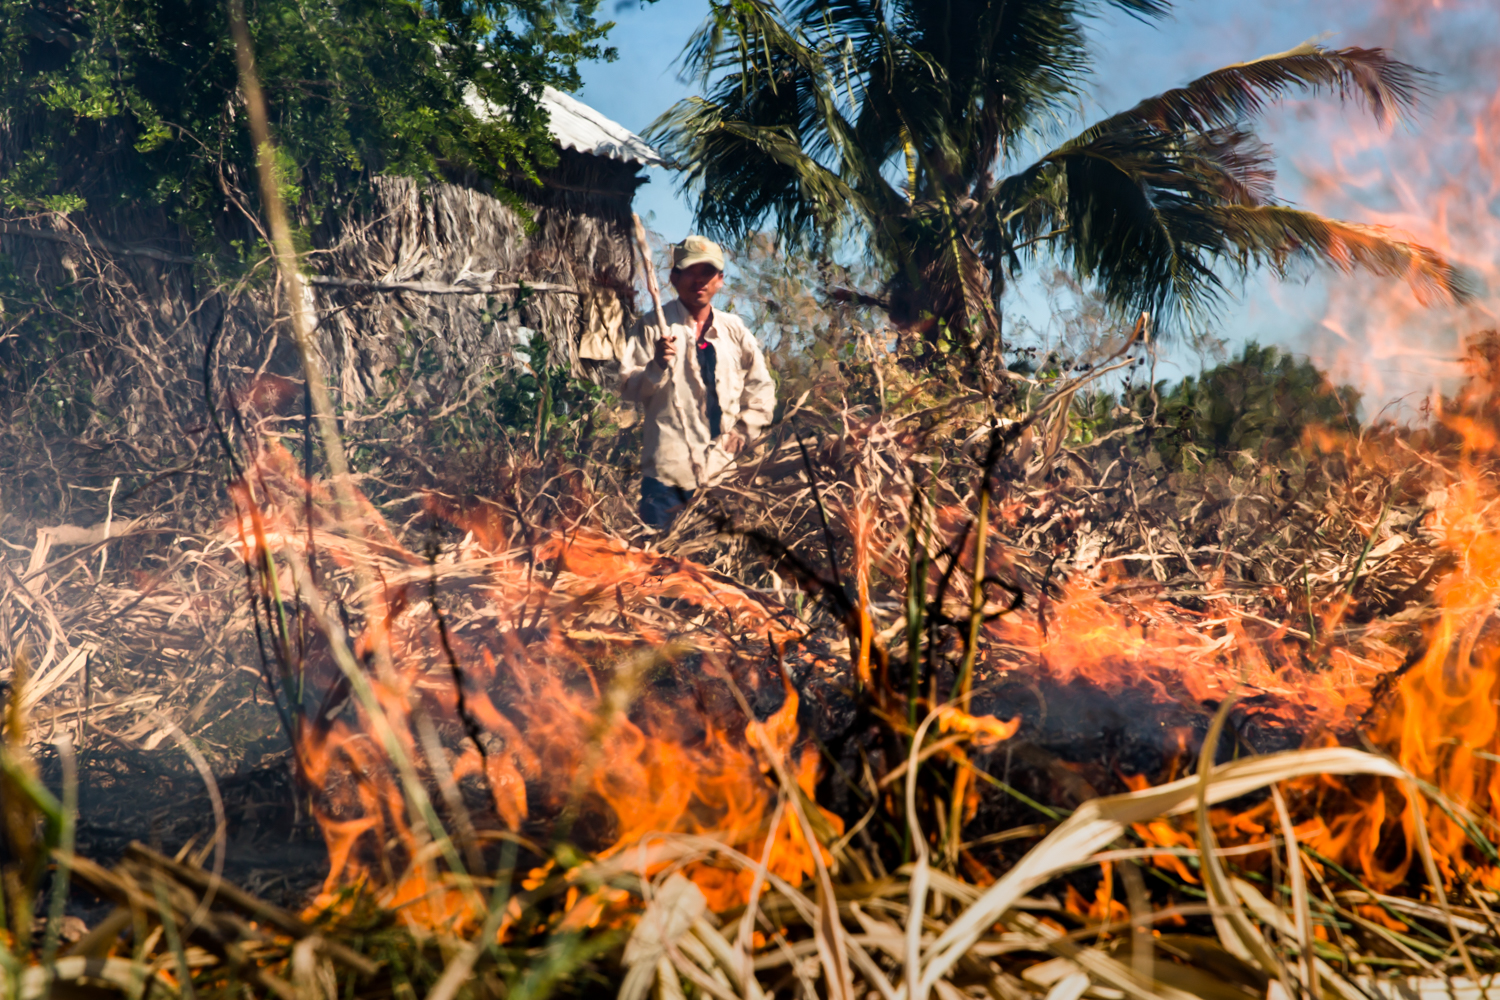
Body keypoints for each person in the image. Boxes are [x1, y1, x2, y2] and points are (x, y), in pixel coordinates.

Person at [619, 235, 776, 530]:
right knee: (660, 566)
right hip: (667, 476)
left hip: (723, 475)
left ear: (720, 279)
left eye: (707, 273)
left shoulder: (735, 331)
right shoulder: (653, 326)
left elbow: (762, 388)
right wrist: (656, 366)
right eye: (691, 272)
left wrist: (743, 431)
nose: (699, 281)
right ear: (674, 277)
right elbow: (628, 386)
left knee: (714, 567)